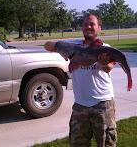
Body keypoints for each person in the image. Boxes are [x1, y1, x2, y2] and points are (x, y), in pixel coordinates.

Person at [45, 13, 117, 146]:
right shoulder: (73, 46)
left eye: (92, 24)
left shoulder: (106, 48)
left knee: (106, 143)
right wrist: (60, 48)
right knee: (77, 144)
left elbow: (109, 68)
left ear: (99, 28)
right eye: (85, 24)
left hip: (103, 104)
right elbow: (47, 45)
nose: (88, 27)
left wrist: (104, 63)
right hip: (80, 105)